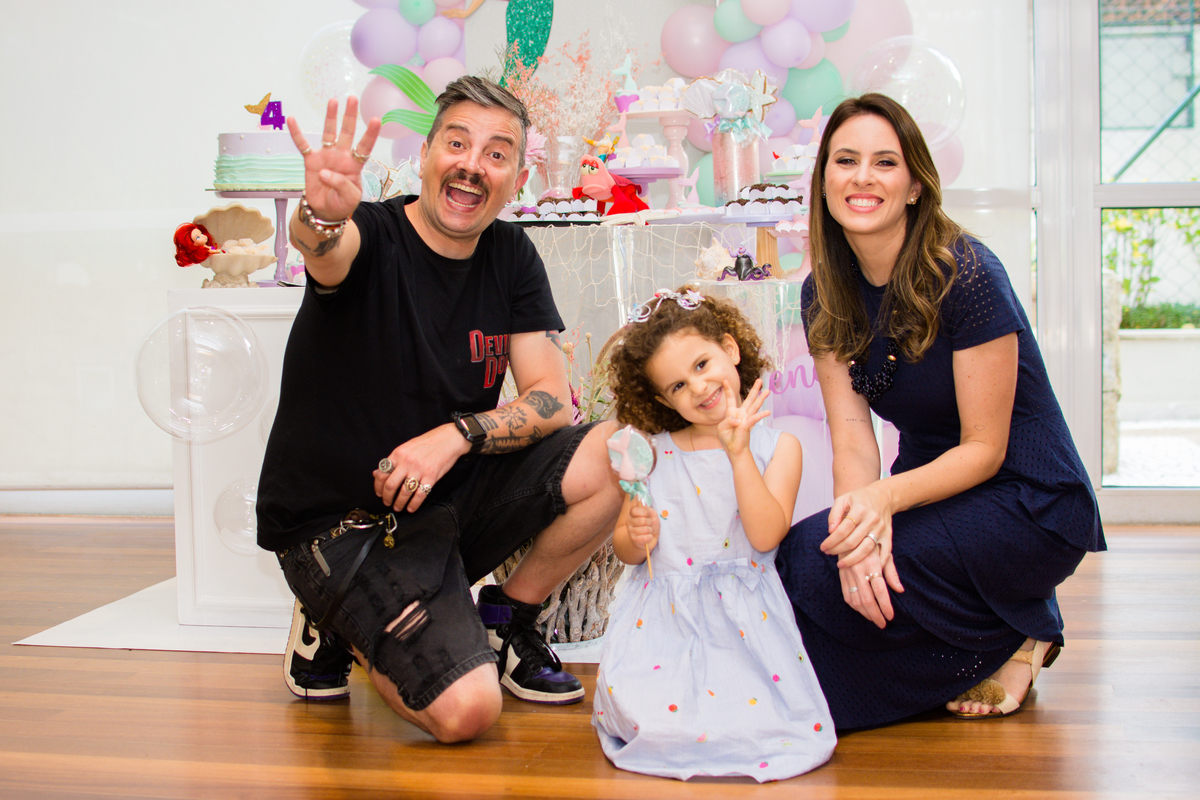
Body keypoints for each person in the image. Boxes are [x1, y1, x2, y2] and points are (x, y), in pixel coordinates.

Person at [256, 76, 623, 743]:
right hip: (343, 522)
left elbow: (550, 399)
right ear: (426, 155)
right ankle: (333, 612)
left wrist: (456, 437)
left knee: (617, 451)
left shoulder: (511, 254)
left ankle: (507, 620)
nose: (472, 165)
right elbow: (326, 254)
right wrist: (320, 218)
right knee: (468, 712)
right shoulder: (369, 235)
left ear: (516, 176)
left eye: (496, 152)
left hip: (442, 496)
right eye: (457, 143)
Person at [776, 93, 1105, 729]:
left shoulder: (967, 272)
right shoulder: (823, 292)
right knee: (803, 558)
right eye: (845, 160)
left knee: (828, 592)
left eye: (884, 162)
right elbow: (851, 436)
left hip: (1029, 498)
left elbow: (986, 448)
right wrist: (856, 535)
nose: (862, 177)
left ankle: (1018, 632)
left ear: (915, 187)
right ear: (823, 182)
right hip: (929, 490)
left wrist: (882, 505)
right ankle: (1011, 621)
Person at [591, 288, 835, 781]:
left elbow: (766, 536)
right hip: (664, 622)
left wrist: (737, 451)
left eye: (703, 364)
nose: (698, 388)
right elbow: (626, 550)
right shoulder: (650, 453)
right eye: (678, 386)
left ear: (732, 348)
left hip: (746, 619)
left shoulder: (777, 446)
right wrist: (635, 534)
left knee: (753, 719)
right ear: (662, 400)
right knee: (655, 719)